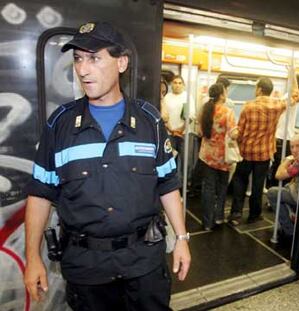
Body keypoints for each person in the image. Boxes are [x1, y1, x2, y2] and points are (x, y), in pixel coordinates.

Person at [23, 21, 191, 311]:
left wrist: (182, 239)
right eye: (78, 59)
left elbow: (167, 184)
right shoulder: (59, 124)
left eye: (94, 58)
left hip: (144, 262)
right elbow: (39, 193)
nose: (83, 69)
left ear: (122, 63)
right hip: (87, 269)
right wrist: (33, 257)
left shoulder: (149, 121)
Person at [228, 77, 286, 225]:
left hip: (246, 151)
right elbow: (295, 97)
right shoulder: (277, 105)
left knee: (240, 181)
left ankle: (236, 214)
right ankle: (254, 214)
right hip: (264, 153)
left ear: (259, 89)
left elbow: (240, 130)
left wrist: (236, 138)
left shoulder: (248, 106)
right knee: (258, 185)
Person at [198, 83, 238, 230]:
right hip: (223, 157)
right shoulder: (227, 112)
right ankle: (219, 217)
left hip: (207, 155)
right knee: (222, 188)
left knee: (208, 188)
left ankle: (207, 223)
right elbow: (233, 133)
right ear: (222, 95)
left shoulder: (205, 110)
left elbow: (200, 132)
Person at [267, 75, 299, 188]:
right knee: (283, 169)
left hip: (279, 137)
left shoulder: (284, 97)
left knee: (277, 167)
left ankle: (273, 192)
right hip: (283, 138)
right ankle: (277, 195)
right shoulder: (290, 97)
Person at [266, 134, 299, 242]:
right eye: (292, 147)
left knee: (272, 193)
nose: (294, 150)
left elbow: (278, 175)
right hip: (298, 192)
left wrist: (287, 160)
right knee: (286, 187)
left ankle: (289, 231)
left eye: (298, 146)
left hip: (298, 196)